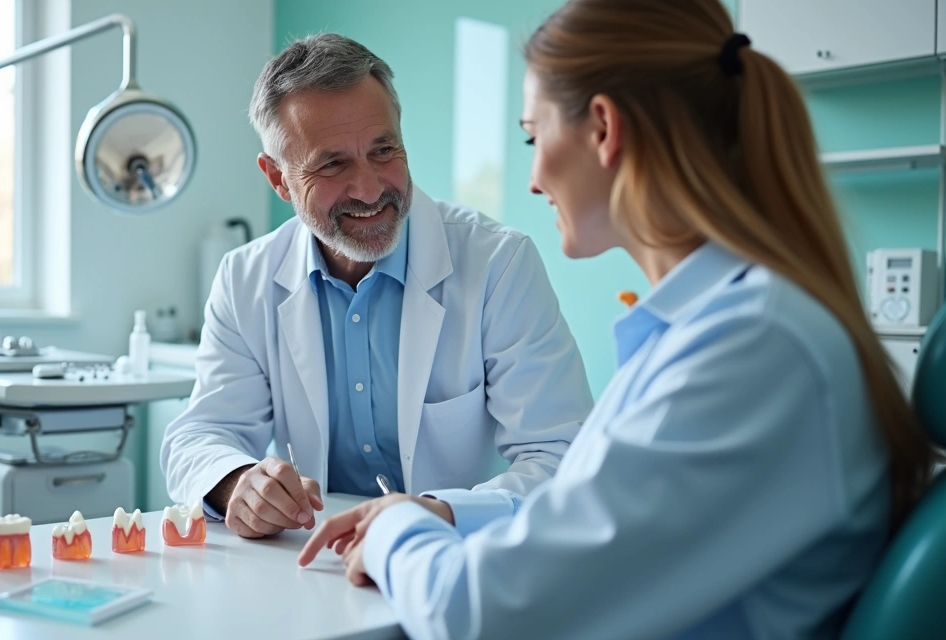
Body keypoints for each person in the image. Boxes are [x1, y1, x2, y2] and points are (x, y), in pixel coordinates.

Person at [298, 1, 940, 637]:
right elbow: (591, 519)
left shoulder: (753, 347)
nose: (533, 180)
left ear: (604, 129)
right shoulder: (724, 327)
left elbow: (484, 614)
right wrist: (443, 515)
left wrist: (394, 528)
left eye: (534, 137)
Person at [161, 34, 594, 539]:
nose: (369, 190)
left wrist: (439, 515)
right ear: (278, 178)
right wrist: (239, 483)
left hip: (455, 552)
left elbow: (561, 453)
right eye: (332, 164)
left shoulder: (498, 263)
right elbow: (202, 433)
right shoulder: (245, 279)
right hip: (310, 558)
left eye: (383, 150)